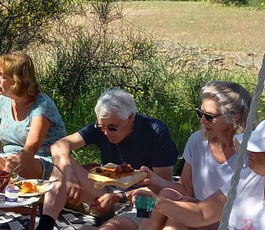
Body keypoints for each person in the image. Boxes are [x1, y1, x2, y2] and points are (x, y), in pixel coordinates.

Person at [36, 89, 178, 230]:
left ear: (130, 117)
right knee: (62, 161)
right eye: (101, 127)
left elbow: (162, 187)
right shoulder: (104, 126)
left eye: (112, 128)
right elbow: (58, 146)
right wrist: (70, 174)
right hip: (104, 192)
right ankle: (45, 225)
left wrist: (119, 196)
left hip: (139, 200)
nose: (106, 133)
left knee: (112, 227)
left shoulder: (155, 131)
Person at [136, 81, 251, 230]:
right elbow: (185, 188)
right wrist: (154, 180)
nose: (202, 120)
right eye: (200, 113)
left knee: (178, 217)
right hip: (198, 211)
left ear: (235, 116)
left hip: (227, 220)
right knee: (168, 194)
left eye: (209, 116)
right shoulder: (197, 141)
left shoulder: (251, 155)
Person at [128, 119, 265, 230]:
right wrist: (157, 203)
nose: (248, 151)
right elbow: (202, 213)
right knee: (174, 206)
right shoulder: (248, 176)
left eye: (255, 148)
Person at [0, 52, 67, 180]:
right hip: (8, 157)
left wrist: (7, 166)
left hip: (41, 161)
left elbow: (31, 149)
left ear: (18, 81)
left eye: (2, 76)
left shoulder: (41, 106)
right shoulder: (3, 101)